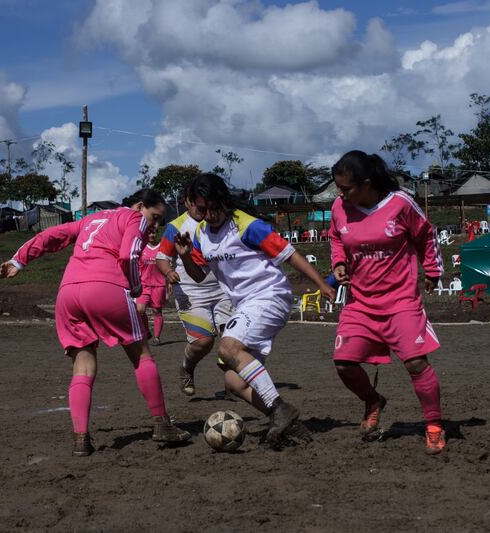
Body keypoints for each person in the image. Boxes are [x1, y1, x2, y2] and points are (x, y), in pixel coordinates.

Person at [0, 188, 190, 457]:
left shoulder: (91, 219)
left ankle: (81, 438)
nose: (155, 225)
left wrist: (19, 260)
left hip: (68, 293)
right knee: (141, 356)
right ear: (139, 206)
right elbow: (128, 255)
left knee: (82, 365)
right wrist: (136, 286)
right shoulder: (133, 218)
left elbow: (52, 235)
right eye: (155, 217)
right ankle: (162, 424)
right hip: (106, 288)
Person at [173, 173, 335, 447]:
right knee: (234, 382)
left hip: (269, 295)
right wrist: (186, 255)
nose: (209, 215)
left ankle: (280, 409)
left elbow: (290, 254)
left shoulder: (247, 225)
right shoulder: (201, 234)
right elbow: (198, 276)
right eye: (202, 209)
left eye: (213, 207)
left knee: (228, 348)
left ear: (223, 200)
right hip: (246, 305)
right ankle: (285, 422)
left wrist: (322, 284)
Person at [329, 150, 446, 455]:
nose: (340, 194)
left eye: (345, 188)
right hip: (360, 302)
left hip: (401, 300)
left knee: (416, 363)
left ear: (367, 184)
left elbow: (426, 235)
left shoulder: (401, 204)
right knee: (344, 364)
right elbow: (336, 237)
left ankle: (434, 425)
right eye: (338, 188)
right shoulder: (340, 207)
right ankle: (373, 400)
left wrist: (433, 271)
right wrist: (339, 262)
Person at [157, 190, 236, 397]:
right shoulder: (176, 226)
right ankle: (187, 367)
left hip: (223, 289)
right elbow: (162, 257)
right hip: (191, 292)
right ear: (187, 202)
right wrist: (169, 272)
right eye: (196, 204)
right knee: (203, 342)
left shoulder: (218, 220)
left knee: (232, 339)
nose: (201, 208)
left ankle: (232, 386)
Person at [137, 229, 168, 344]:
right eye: (149, 233)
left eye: (153, 233)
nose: (151, 235)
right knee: (139, 310)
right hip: (144, 285)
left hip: (159, 285)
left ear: (157, 233)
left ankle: (156, 337)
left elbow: (167, 265)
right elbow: (138, 267)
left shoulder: (162, 248)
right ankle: (146, 331)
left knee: (156, 311)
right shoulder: (141, 248)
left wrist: (169, 282)